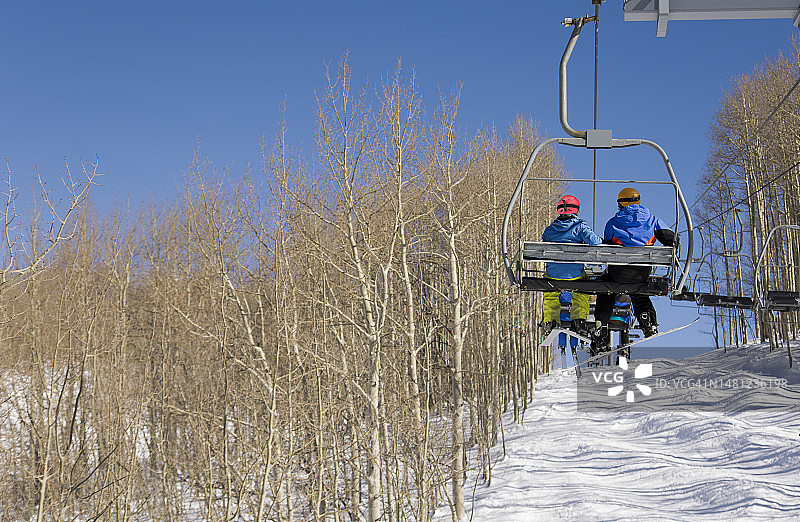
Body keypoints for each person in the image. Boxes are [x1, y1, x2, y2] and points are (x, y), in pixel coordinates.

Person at [594, 187, 675, 347]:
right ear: (638, 201)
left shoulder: (612, 223)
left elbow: (607, 246)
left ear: (620, 204)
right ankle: (648, 323)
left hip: (617, 273)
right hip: (641, 272)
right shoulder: (653, 220)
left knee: (606, 289)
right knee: (639, 293)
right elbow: (671, 239)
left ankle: (602, 325)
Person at [541, 195, 602, 335]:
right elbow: (595, 242)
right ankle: (578, 319)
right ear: (576, 211)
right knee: (581, 290)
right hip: (574, 275)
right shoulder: (579, 227)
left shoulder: (550, 230)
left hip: (553, 275)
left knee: (550, 294)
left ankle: (551, 320)